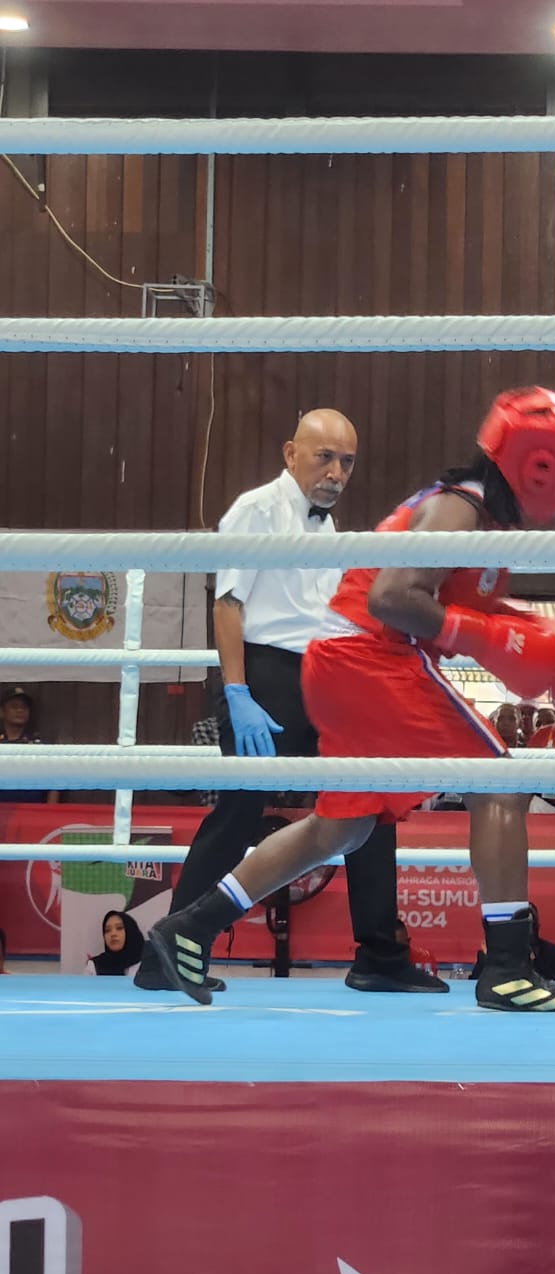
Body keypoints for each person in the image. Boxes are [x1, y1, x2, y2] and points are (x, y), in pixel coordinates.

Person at [147, 386, 555, 1012]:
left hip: (341, 659)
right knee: (500, 783)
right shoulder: (459, 511)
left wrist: (527, 635)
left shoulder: (481, 519)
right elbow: (391, 598)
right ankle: (505, 967)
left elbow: (451, 607)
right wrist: (498, 637)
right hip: (368, 656)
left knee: (340, 827)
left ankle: (188, 930)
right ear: (538, 464)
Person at [136, 409, 440, 996]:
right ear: (289, 453)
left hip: (320, 677)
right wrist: (237, 691)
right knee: (238, 813)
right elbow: (228, 603)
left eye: (347, 461)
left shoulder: (325, 530)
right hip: (264, 674)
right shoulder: (257, 509)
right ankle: (164, 953)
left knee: (370, 802)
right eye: (324, 457)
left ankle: (379, 953)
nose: (335, 473)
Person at [469, 900, 555, 982]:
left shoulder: (553, 953)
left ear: (537, 925)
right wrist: (491, 957)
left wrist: (531, 960)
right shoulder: (493, 953)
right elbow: (473, 983)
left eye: (530, 924)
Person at [0, 685, 59, 804]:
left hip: (31, 812)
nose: (20, 710)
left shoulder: (40, 746)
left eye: (24, 707)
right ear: (2, 712)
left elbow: (55, 782)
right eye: (14, 706)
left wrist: (51, 812)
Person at [86, 910, 145, 976]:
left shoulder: (148, 964)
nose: (113, 934)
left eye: (119, 928)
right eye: (107, 930)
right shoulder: (94, 966)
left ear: (131, 931)